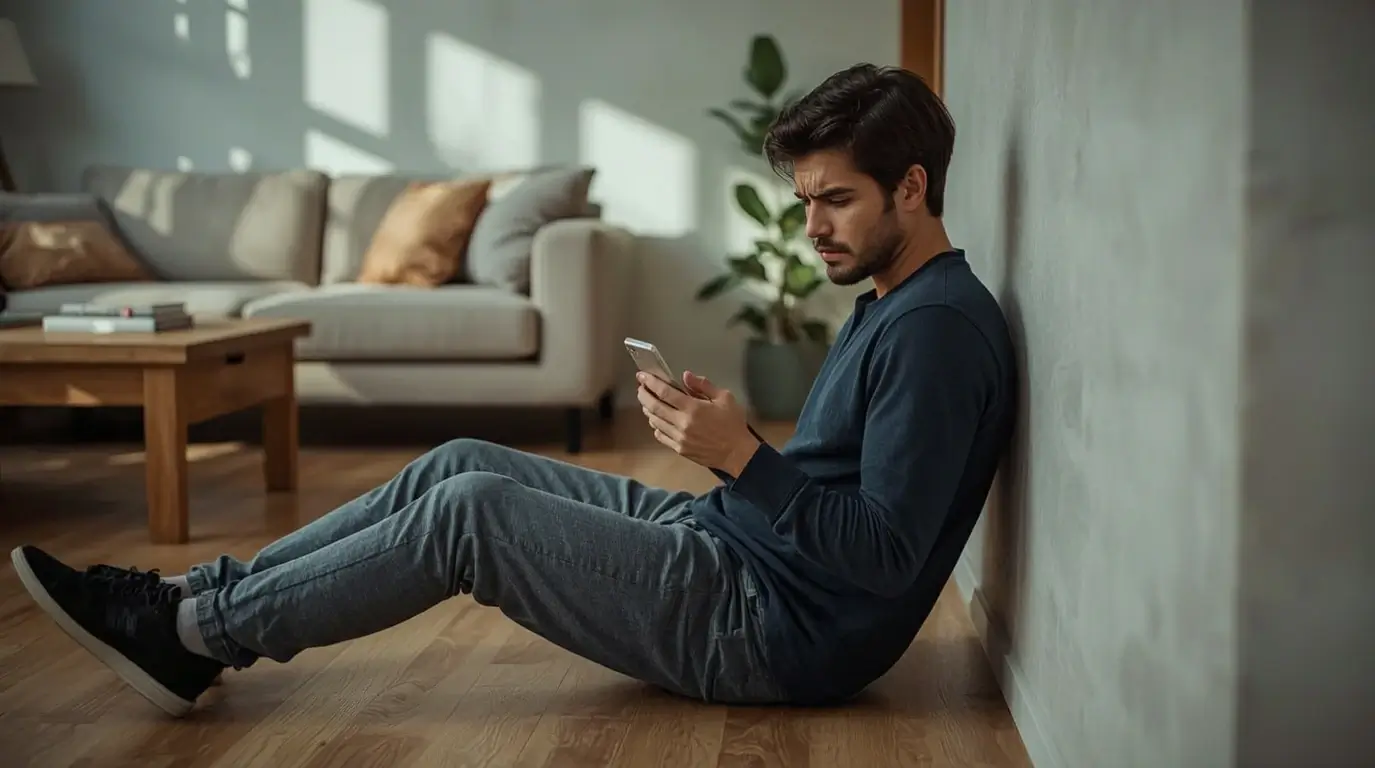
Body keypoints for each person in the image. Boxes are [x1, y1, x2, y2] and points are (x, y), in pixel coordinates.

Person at [10, 63, 1017, 717]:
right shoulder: (894, 296)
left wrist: (740, 458)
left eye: (834, 200)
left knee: (472, 515)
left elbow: (882, 560)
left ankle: (193, 636)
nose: (813, 228)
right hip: (740, 553)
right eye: (804, 203)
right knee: (461, 460)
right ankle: (204, 596)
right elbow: (839, 487)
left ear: (913, 187)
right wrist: (733, 449)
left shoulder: (934, 333)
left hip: (770, 628)